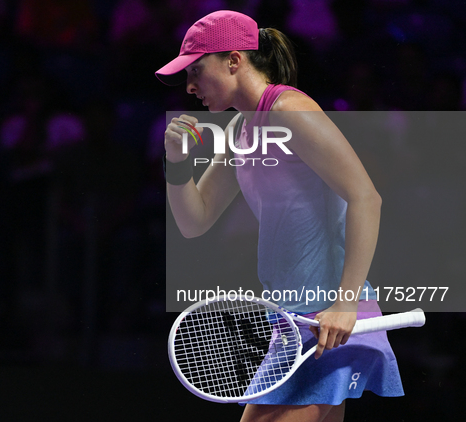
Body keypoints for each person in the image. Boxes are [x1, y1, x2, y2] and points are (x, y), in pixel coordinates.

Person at [156, 10, 403, 422]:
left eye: (197, 70)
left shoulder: (291, 110)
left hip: (329, 320)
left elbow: (366, 197)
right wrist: (178, 163)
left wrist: (345, 303)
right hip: (292, 323)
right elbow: (194, 221)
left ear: (233, 60)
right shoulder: (241, 130)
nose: (190, 86)